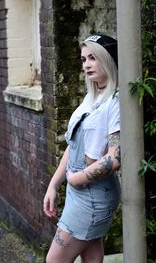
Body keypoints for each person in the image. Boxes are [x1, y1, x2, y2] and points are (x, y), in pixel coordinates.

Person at [43, 34, 121, 263]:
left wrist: (76, 180)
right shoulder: (92, 96)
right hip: (80, 190)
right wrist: (54, 184)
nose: (86, 64)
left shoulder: (115, 101)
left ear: (108, 59)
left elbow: (114, 158)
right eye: (84, 58)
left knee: (54, 260)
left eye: (93, 58)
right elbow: (73, 146)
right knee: (92, 258)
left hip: (92, 195)